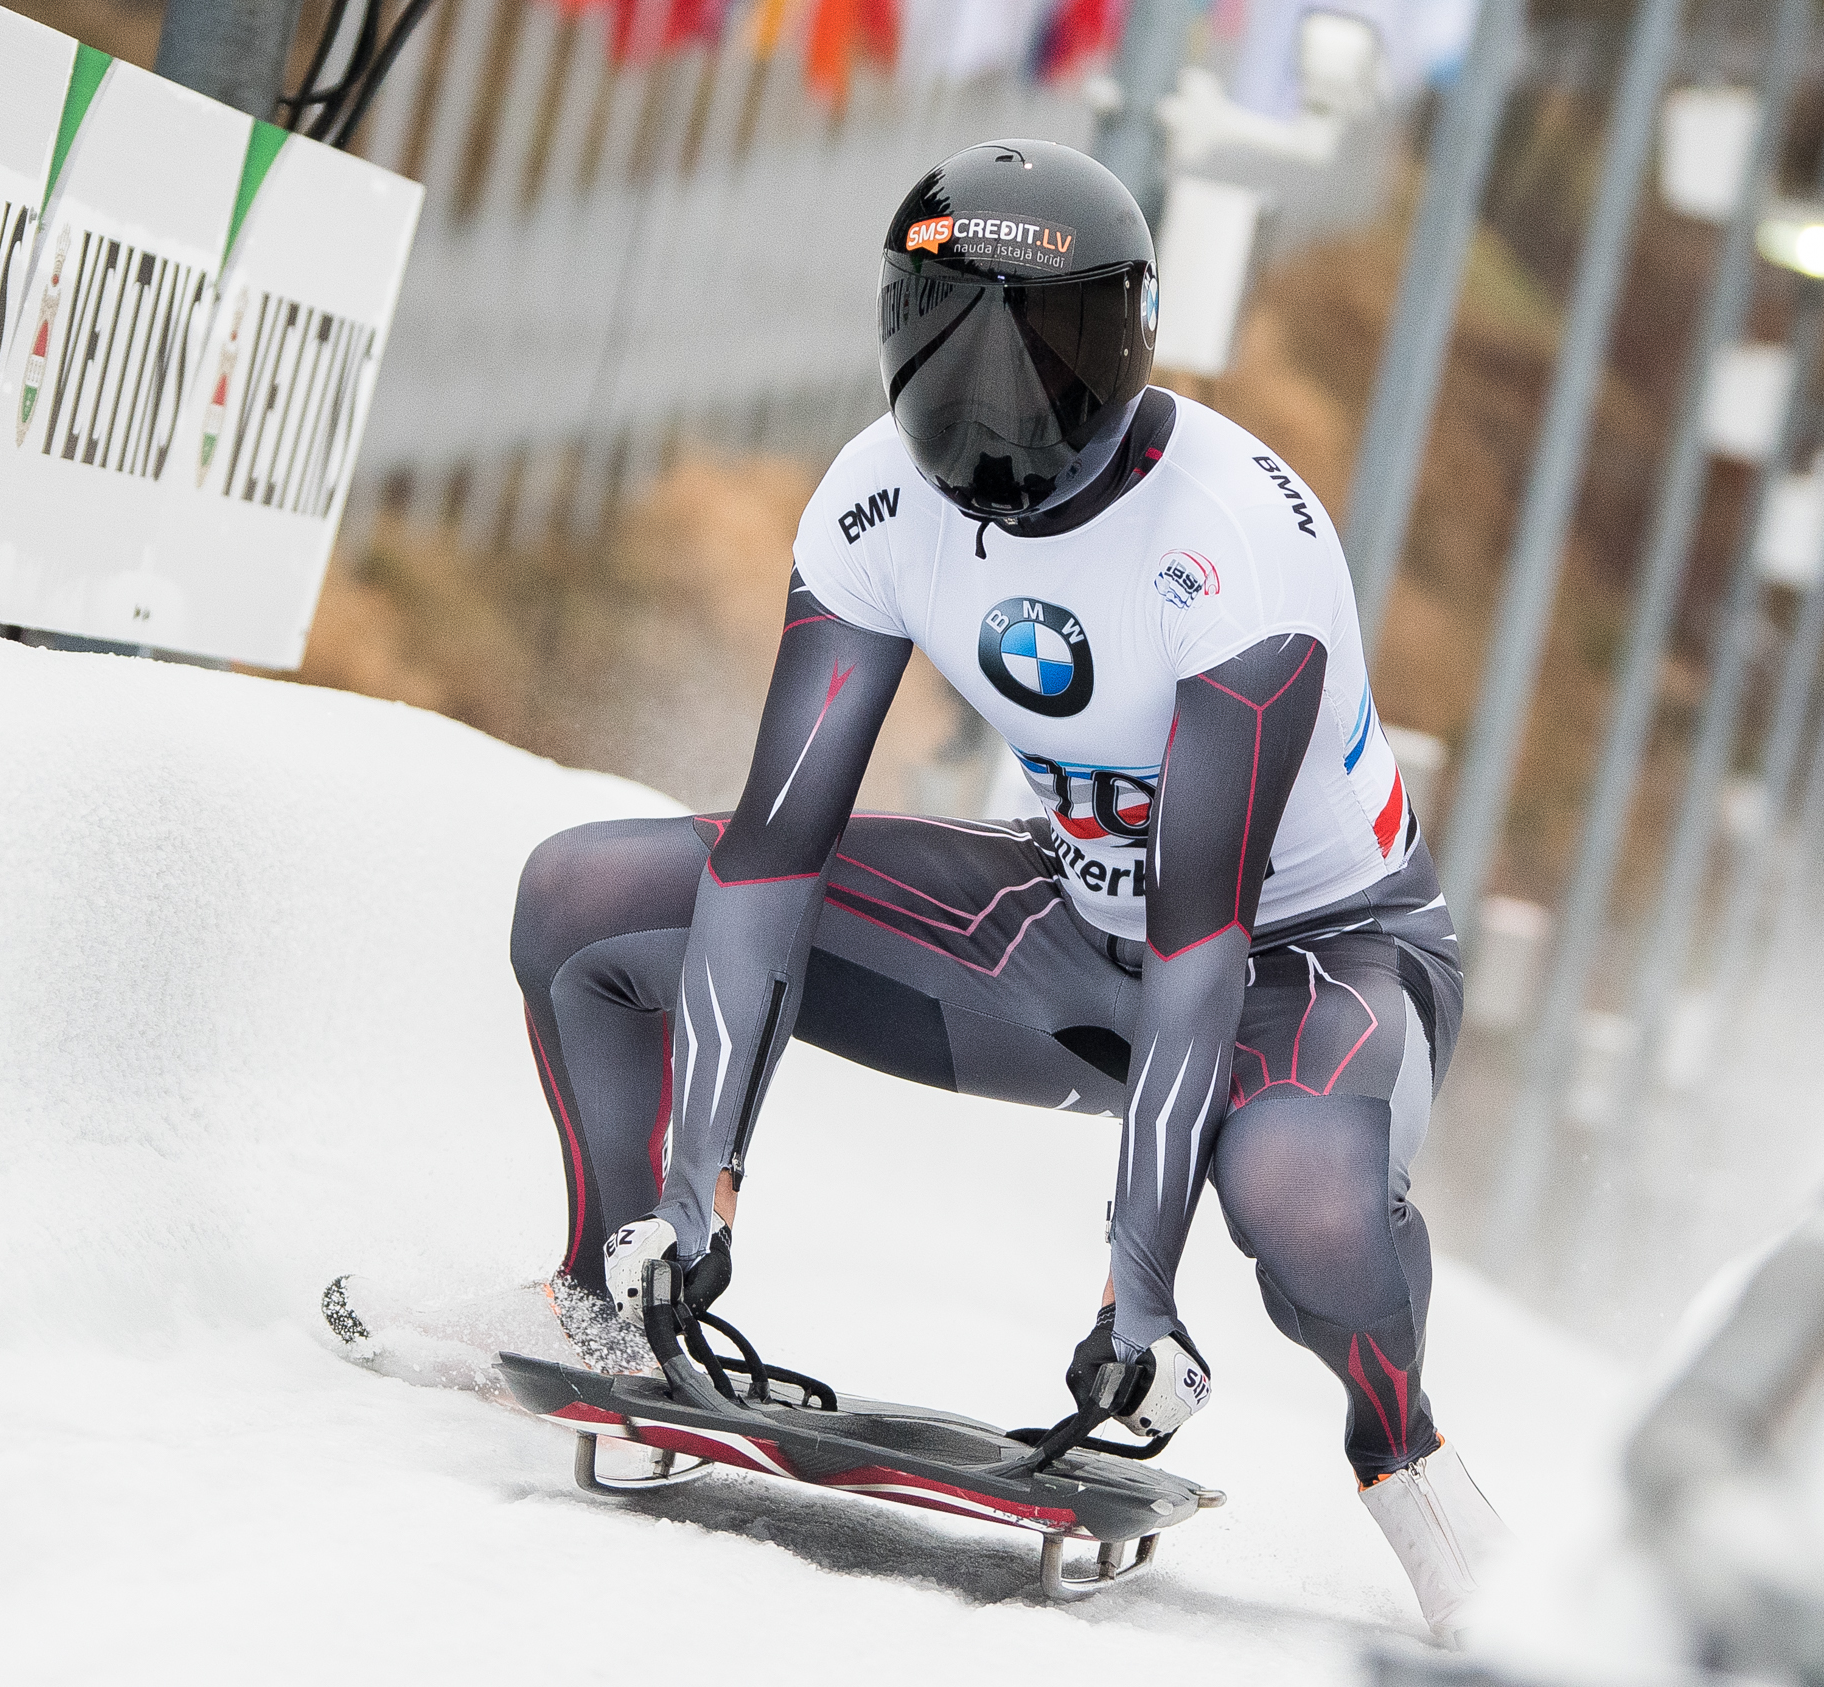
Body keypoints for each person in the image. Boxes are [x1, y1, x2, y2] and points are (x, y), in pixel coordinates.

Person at [508, 139, 1507, 1639]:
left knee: (1301, 1190)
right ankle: (611, 1292)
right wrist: (697, 1190)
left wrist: (1138, 1302)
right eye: (953, 342)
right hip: (1074, 920)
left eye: (1043, 354)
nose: (999, 408)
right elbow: (773, 858)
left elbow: (1205, 947)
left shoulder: (1234, 540)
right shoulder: (871, 503)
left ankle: (1406, 1460)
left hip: (1320, 961)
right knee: (586, 899)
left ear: (1132, 342)